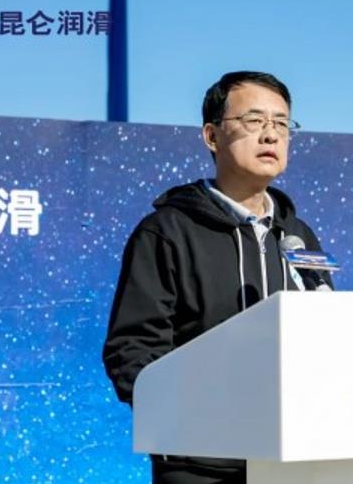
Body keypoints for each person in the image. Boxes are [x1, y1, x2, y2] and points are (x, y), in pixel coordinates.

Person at [102, 71, 333, 484]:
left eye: (282, 123)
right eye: (254, 120)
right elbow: (133, 348)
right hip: (200, 464)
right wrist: (182, 424)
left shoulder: (297, 235)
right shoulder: (167, 232)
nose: (271, 134)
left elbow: (324, 334)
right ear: (212, 136)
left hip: (291, 460)